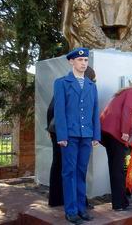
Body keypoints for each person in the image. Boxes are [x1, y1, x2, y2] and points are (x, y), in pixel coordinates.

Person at [54, 47, 100, 224]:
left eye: (86, 60)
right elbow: (59, 111)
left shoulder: (91, 85)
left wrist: (96, 135)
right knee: (69, 173)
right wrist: (62, 135)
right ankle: (71, 210)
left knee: (81, 172)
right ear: (71, 62)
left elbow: (95, 111)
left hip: (86, 135)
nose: (83, 63)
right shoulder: (62, 83)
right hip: (70, 136)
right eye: (80, 60)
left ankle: (81, 208)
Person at [47, 66, 96, 207]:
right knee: (67, 168)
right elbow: (54, 109)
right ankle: (62, 201)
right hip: (64, 133)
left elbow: (51, 110)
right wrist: (53, 131)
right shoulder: (66, 86)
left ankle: (61, 200)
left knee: (66, 167)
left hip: (61, 132)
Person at [100, 80, 132, 211]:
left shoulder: (124, 92)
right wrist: (124, 131)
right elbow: (127, 110)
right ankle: (120, 204)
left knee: (114, 168)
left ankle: (119, 202)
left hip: (106, 133)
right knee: (118, 169)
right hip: (115, 133)